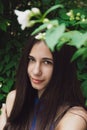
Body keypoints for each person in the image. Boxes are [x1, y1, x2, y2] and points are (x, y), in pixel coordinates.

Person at [0, 35, 87, 130]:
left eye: (47, 62)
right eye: (32, 59)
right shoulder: (15, 100)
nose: (36, 71)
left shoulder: (74, 118)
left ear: (63, 68)